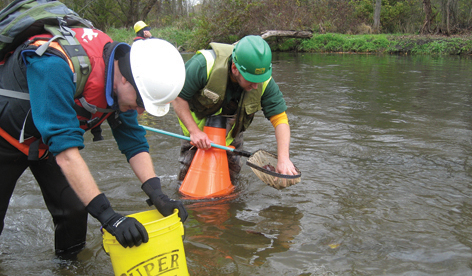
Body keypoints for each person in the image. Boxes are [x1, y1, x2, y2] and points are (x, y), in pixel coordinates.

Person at [0, 27, 188, 257]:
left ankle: (69, 274)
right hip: (5, 136)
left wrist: (158, 194)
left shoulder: (123, 79)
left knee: (75, 209)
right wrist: (110, 217)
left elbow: (134, 143)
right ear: (126, 79)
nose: (139, 111)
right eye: (141, 102)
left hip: (45, 143)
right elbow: (67, 153)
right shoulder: (55, 65)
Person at [171, 35, 298, 183]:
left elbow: (280, 118)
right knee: (188, 179)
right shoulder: (202, 65)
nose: (256, 86)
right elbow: (178, 97)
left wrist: (284, 159)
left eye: (260, 80)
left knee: (232, 182)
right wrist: (194, 131)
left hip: (230, 134)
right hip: (195, 130)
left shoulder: (264, 81)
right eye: (251, 79)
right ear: (234, 68)